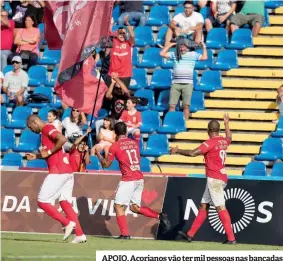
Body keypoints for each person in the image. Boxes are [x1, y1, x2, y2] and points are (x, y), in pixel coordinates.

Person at [95, 122, 171, 239]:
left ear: (115, 133)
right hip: (139, 178)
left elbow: (106, 164)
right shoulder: (134, 144)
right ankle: (160, 216)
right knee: (134, 207)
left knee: (118, 206)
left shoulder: (115, 146)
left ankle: (125, 234)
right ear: (126, 132)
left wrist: (98, 155)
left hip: (128, 179)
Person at [170, 113, 236, 244]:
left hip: (214, 179)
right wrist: (227, 124)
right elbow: (229, 137)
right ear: (218, 130)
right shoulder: (223, 141)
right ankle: (190, 234)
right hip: (220, 177)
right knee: (204, 205)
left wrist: (177, 151)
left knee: (220, 207)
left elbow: (193, 153)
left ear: (208, 131)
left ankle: (231, 238)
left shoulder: (209, 143)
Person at [25, 114, 87, 244]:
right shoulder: (44, 133)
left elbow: (62, 139)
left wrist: (48, 152)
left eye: (31, 127)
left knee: (42, 202)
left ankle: (67, 223)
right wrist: (36, 156)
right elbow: (52, 152)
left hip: (58, 172)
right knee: (64, 202)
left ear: (35, 122)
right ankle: (80, 234)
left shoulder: (47, 128)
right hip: (67, 171)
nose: (31, 130)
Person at [160, 38, 207, 120]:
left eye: (184, 45)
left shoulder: (193, 54)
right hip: (175, 83)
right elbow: (162, 53)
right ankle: (172, 122)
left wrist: (204, 47)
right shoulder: (175, 54)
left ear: (188, 46)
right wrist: (171, 44)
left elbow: (204, 57)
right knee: (171, 105)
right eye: (180, 44)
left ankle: (185, 123)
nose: (182, 46)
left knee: (186, 106)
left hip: (188, 84)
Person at [107, 16, 135, 89]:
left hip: (125, 75)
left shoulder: (129, 43)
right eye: (120, 33)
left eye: (124, 33)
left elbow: (132, 35)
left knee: (123, 96)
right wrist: (110, 23)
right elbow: (107, 33)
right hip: (112, 73)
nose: (122, 35)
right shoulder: (113, 42)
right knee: (109, 96)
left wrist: (127, 24)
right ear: (116, 34)